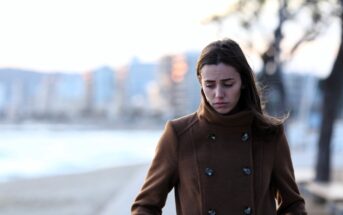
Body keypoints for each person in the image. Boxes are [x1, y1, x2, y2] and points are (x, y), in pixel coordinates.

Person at [131, 39, 307, 215]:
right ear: (201, 83)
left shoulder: (269, 135)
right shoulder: (179, 135)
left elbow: (293, 205)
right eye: (210, 85)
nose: (218, 94)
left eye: (228, 84)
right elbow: (145, 206)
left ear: (243, 82)